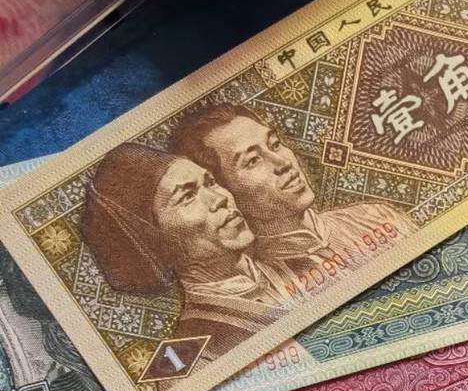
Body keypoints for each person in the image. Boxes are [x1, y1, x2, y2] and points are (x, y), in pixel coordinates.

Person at [80, 142, 285, 359]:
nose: (220, 199)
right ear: (155, 238)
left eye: (211, 183)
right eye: (187, 196)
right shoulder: (195, 355)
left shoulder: (298, 263)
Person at [169, 104, 414, 279]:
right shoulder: (264, 289)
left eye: (274, 144)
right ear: (224, 191)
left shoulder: (377, 216)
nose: (283, 162)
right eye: (252, 160)